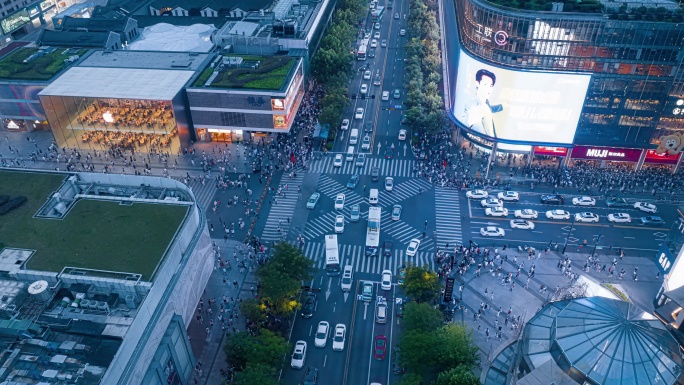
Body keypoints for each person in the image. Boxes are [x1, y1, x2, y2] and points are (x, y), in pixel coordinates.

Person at [462, 69, 505, 138]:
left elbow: (490, 109)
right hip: (483, 144)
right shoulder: (472, 104)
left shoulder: (485, 102)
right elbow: (465, 123)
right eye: (485, 84)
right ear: (477, 83)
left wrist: (502, 106)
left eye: (491, 86)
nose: (488, 89)